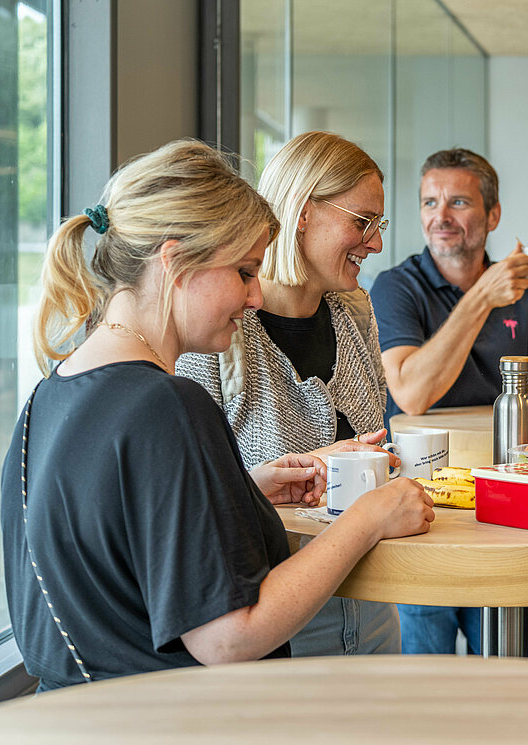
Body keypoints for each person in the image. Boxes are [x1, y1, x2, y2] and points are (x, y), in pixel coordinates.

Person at [2, 140, 433, 691]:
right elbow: (229, 638)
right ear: (176, 260)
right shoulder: (169, 405)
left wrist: (241, 493)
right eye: (245, 271)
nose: (255, 296)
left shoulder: (46, 399)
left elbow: (118, 564)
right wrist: (368, 517)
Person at [175, 131, 403, 656]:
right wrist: (313, 466)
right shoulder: (218, 334)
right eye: (362, 222)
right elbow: (197, 506)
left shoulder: (356, 312)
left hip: (374, 606)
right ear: (303, 211)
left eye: (379, 224)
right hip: (278, 622)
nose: (376, 244)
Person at [371, 147, 528, 655]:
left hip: (502, 501)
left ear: (492, 215)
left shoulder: (526, 295)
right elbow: (411, 392)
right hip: (420, 498)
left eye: (457, 202)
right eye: (429, 203)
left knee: (503, 660)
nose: (440, 217)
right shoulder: (395, 288)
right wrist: (483, 297)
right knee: (424, 666)